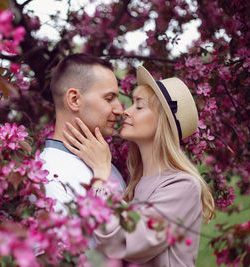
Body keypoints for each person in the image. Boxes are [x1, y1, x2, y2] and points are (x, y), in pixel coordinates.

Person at [63, 65, 216, 266]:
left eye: (139, 106)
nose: (125, 112)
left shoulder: (183, 186)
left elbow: (121, 242)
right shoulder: (138, 183)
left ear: (162, 122)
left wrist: (101, 174)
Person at [40, 53, 127, 214]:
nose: (120, 110)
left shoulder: (104, 164)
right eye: (109, 98)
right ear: (74, 100)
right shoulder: (48, 174)